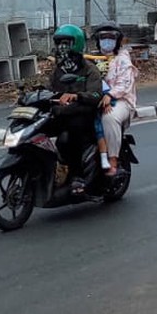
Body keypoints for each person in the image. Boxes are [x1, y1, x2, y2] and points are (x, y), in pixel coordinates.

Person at [48, 24, 103, 194]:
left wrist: (77, 96)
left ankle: (77, 176)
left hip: (83, 115)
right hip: (62, 113)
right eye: (59, 43)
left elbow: (95, 96)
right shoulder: (58, 70)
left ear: (77, 44)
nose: (62, 48)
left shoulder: (89, 69)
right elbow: (48, 89)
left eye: (66, 43)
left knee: (67, 137)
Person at [92, 22, 137, 175]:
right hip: (94, 98)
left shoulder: (123, 59)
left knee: (108, 118)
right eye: (103, 37)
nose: (107, 40)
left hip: (121, 100)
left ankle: (113, 159)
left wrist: (109, 95)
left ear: (117, 41)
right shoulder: (92, 58)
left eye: (111, 37)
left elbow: (125, 83)